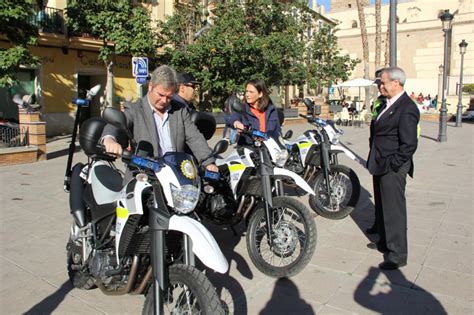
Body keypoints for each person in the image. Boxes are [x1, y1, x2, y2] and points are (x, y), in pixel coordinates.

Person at [102, 65, 218, 178]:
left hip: (175, 175)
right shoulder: (135, 109)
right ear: (150, 86)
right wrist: (109, 139)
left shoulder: (179, 111)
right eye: (161, 95)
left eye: (169, 97)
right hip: (144, 176)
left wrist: (208, 162)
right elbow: (116, 125)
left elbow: (194, 137)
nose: (164, 101)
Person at [366, 66, 420, 270]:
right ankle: (385, 243)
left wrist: (393, 165)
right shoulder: (386, 104)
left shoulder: (407, 107)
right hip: (379, 163)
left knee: (393, 210)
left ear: (396, 83)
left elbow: (409, 144)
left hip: (391, 166)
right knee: (381, 206)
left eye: (383, 82)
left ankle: (397, 254)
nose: (381, 85)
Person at [366, 68, 388, 235]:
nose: (379, 86)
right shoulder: (380, 101)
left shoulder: (396, 103)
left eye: (381, 83)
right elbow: (375, 123)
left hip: (389, 157)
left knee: (389, 200)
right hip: (376, 153)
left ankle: (386, 231)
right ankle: (378, 224)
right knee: (379, 195)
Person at [227, 79, 281, 144]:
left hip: (268, 148)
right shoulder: (243, 108)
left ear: (260, 94)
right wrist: (237, 122)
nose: (247, 94)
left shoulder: (270, 109)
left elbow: (277, 131)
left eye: (251, 92)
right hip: (249, 148)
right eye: (246, 91)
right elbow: (234, 117)